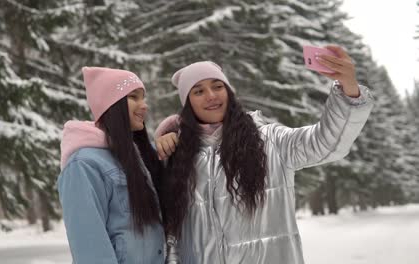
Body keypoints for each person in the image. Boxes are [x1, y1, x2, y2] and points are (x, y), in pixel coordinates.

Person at [155, 46, 374, 263]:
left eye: (217, 86)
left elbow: (326, 142)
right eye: (198, 91)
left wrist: (348, 91)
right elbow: (172, 236)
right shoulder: (178, 158)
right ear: (187, 102)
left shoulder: (271, 141)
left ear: (229, 92)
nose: (211, 96)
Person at [58, 67, 165, 263]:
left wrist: (172, 128)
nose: (144, 106)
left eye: (143, 98)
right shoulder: (83, 165)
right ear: (111, 104)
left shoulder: (139, 155)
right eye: (134, 97)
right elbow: (90, 248)